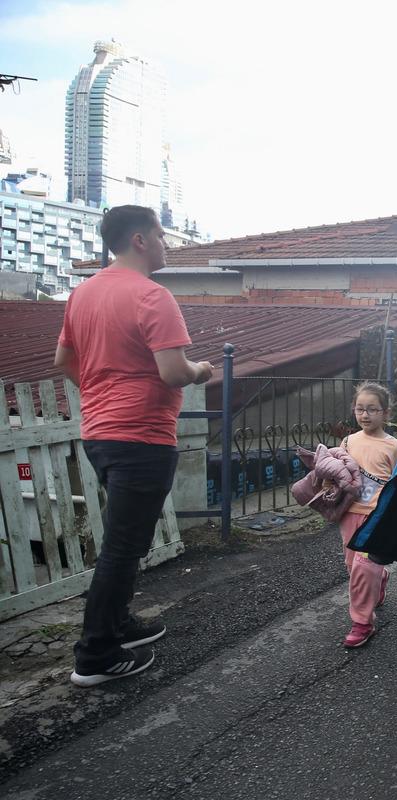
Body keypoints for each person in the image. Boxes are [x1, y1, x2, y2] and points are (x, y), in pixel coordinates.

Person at [54, 205, 213, 687]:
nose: (167, 244)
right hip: (140, 436)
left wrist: (104, 393)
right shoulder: (151, 295)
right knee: (123, 547)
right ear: (140, 240)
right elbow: (172, 372)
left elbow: (63, 359)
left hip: (99, 434)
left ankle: (118, 623)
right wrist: (201, 370)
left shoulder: (83, 293)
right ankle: (96, 655)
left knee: (126, 540)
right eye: (162, 236)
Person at [338, 382, 397, 648]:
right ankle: (381, 578)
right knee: (353, 567)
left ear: (386, 414)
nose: (365, 415)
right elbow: (337, 471)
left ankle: (362, 622)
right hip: (349, 514)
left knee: (363, 569)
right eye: (360, 409)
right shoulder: (348, 441)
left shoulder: (393, 446)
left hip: (377, 518)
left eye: (372, 410)